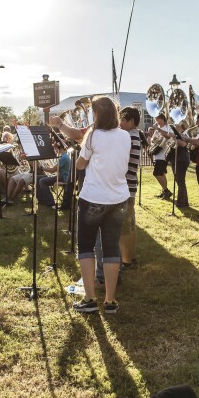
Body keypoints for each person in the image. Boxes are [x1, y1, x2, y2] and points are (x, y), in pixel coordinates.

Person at [73, 97, 130, 315]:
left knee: (86, 247)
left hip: (93, 198)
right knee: (111, 247)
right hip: (118, 199)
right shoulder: (125, 136)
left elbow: (80, 163)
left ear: (98, 115)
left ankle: (89, 299)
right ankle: (110, 301)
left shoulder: (93, 135)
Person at [118, 106, 141, 268]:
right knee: (131, 223)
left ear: (131, 121)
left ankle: (126, 261)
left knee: (125, 225)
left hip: (126, 185)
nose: (120, 123)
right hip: (131, 184)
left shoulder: (128, 137)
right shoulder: (134, 135)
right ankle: (131, 257)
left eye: (123, 120)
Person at [148, 114, 173, 199]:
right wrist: (153, 139)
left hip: (163, 154)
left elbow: (168, 136)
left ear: (162, 119)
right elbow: (153, 139)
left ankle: (166, 191)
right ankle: (164, 192)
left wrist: (158, 129)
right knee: (161, 173)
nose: (156, 121)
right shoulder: (157, 128)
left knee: (156, 173)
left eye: (157, 119)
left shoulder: (167, 127)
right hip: (158, 154)